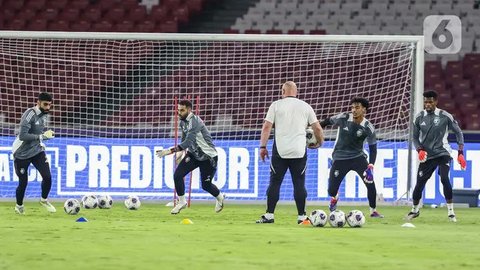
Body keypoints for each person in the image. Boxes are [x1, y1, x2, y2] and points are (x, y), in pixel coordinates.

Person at [256, 81, 324, 224]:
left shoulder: (276, 105)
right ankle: (302, 217)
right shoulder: (306, 106)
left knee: (275, 182)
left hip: (280, 150)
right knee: (299, 183)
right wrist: (320, 142)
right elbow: (317, 128)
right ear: (296, 92)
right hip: (299, 150)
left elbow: (266, 127)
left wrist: (263, 147)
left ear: (283, 91)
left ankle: (269, 215)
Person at [156, 100, 225, 214]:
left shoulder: (195, 122)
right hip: (193, 155)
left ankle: (220, 197)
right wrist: (180, 152)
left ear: (189, 110)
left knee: (206, 185)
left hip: (208, 157)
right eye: (178, 110)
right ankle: (182, 202)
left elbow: (188, 141)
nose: (179, 112)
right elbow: (184, 139)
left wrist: (170, 151)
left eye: (182, 110)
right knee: (177, 175)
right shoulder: (183, 122)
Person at [406, 90, 466, 222]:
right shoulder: (419, 117)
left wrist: (460, 153)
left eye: (430, 102)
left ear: (436, 102)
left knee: (444, 178)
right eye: (426, 102)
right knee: (419, 185)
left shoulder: (445, 116)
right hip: (427, 155)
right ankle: (415, 210)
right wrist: (419, 149)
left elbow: (459, 133)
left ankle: (451, 212)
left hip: (443, 153)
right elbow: (415, 138)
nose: (427, 104)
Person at [321, 97, 384, 218]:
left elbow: (373, 148)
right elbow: (327, 121)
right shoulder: (344, 117)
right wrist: (314, 128)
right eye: (353, 107)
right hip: (340, 158)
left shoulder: (368, 127)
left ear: (364, 110)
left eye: (357, 107)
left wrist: (370, 166)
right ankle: (335, 197)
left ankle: (373, 211)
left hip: (358, 158)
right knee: (331, 190)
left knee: (370, 183)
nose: (354, 110)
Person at [12, 92, 57, 214]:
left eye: (49, 105)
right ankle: (19, 206)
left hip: (37, 150)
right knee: (23, 183)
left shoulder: (44, 115)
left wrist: (45, 136)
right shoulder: (29, 114)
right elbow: (22, 136)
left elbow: (38, 134)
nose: (48, 107)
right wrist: (42, 137)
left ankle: (43, 200)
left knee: (47, 177)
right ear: (38, 103)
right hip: (21, 153)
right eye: (45, 104)